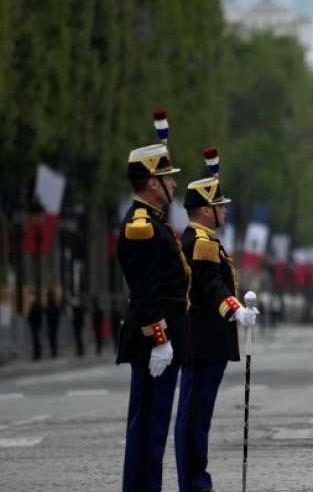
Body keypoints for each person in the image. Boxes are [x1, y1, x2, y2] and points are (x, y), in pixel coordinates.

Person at [116, 112, 191, 492]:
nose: (174, 183)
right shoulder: (141, 225)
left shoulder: (154, 220)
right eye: (168, 178)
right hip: (153, 342)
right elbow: (144, 289)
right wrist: (159, 338)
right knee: (148, 429)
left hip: (160, 339)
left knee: (154, 429)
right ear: (151, 183)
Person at [175, 148, 256, 492]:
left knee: (197, 418)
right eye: (220, 206)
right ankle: (195, 485)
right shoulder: (202, 241)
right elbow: (210, 283)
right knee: (194, 419)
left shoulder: (204, 238)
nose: (225, 210)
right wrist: (234, 308)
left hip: (204, 342)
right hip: (203, 342)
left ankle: (195, 483)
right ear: (207, 210)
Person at [45, 291, 61, 358]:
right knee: (51, 338)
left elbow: (56, 313)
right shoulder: (50, 304)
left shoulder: (53, 304)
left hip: (53, 324)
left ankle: (54, 352)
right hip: (51, 323)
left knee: (53, 338)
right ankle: (53, 352)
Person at [28, 296, 43, 361]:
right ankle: (37, 354)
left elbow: (31, 316)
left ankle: (37, 354)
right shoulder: (35, 306)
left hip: (35, 326)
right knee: (36, 340)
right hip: (35, 326)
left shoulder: (35, 307)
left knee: (36, 340)